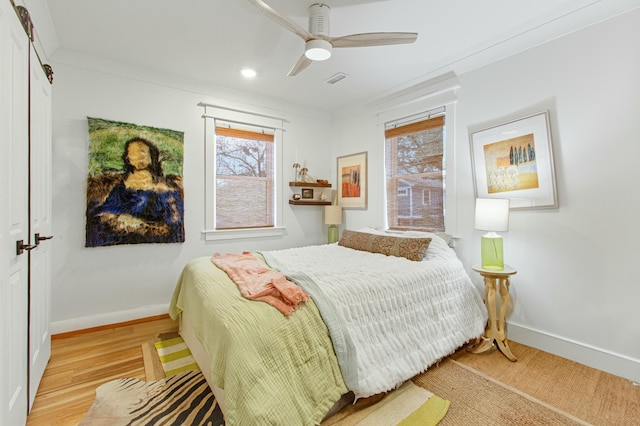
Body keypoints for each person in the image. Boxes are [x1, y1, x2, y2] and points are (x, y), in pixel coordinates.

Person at [86, 137, 184, 246]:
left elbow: (176, 224)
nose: (141, 155)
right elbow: (103, 214)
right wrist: (119, 220)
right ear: (128, 158)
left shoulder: (167, 190)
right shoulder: (120, 189)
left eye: (143, 151)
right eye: (135, 152)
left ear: (151, 155)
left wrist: (143, 226)